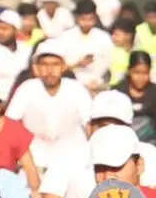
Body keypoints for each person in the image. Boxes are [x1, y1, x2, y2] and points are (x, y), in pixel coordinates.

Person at [7, 41, 95, 175]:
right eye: (44, 65)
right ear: (36, 68)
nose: (50, 70)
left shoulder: (77, 89)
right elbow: (10, 124)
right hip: (35, 164)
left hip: (74, 164)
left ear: (63, 67)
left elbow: (90, 125)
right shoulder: (26, 89)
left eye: (55, 64)